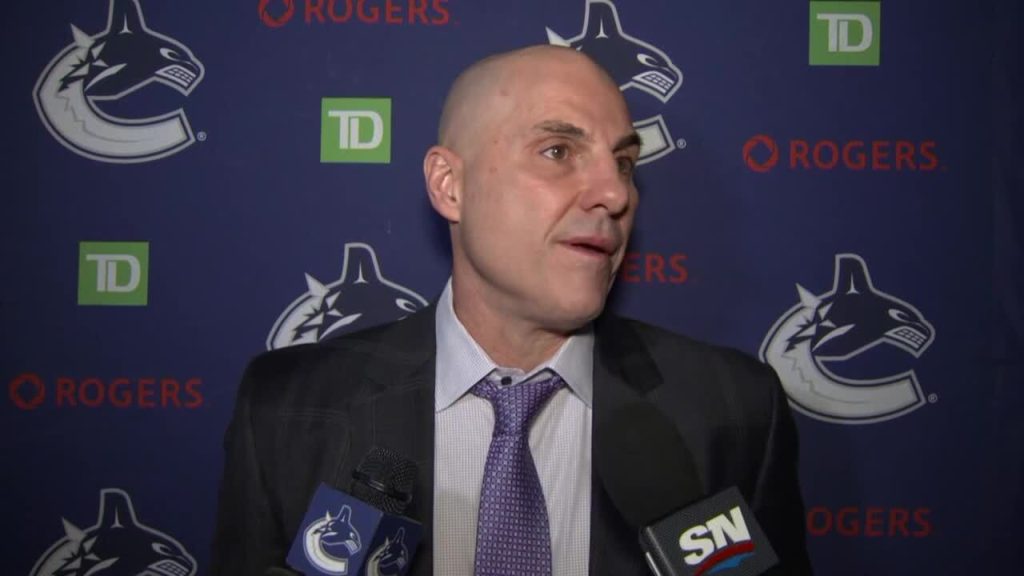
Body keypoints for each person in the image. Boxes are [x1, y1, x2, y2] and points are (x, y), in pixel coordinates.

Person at [211, 45, 812, 575]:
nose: (615, 193)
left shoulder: (732, 411)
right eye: (558, 150)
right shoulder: (289, 408)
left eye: (625, 164)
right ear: (450, 185)